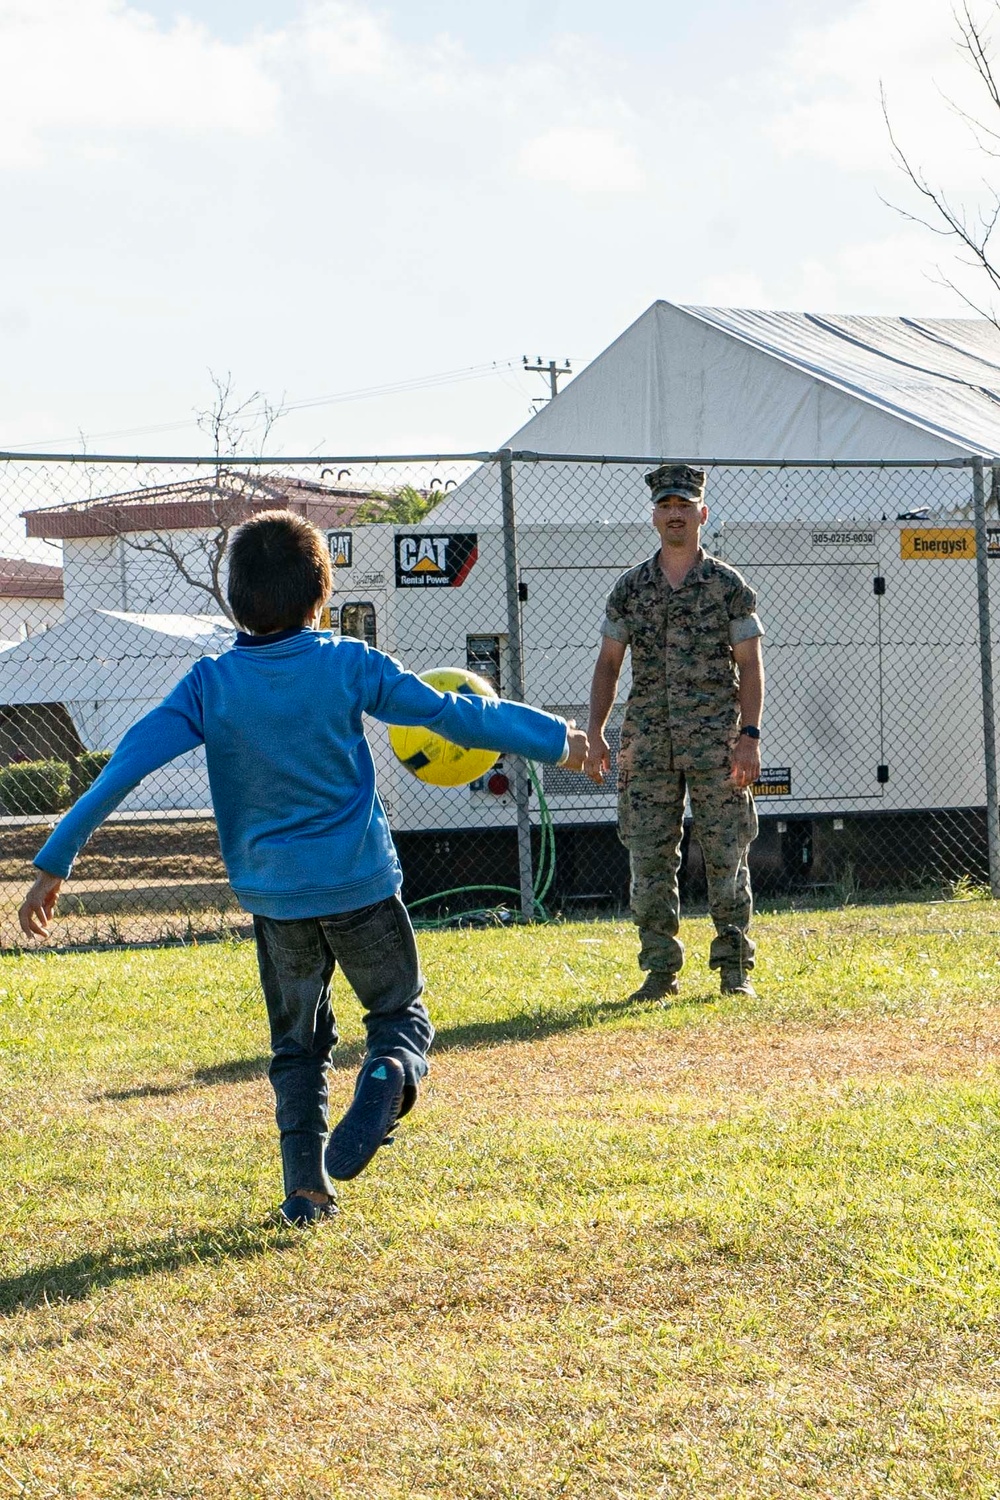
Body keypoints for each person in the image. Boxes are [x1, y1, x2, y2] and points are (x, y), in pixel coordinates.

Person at [19, 510, 588, 1225]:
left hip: (276, 901)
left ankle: (307, 1191)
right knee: (397, 1015)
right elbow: (454, 715)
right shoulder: (349, 662)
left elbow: (125, 765)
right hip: (361, 888)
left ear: (235, 600)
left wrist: (55, 860)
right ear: (321, 595)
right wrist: (559, 742)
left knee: (296, 1048)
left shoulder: (210, 684)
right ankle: (387, 1073)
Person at [584, 463, 764, 1002]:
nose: (675, 515)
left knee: (727, 852)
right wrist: (596, 732)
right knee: (648, 857)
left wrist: (749, 735)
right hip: (649, 746)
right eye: (665, 507)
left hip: (717, 746)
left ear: (702, 513)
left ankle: (734, 970)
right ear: (655, 517)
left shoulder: (729, 587)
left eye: (684, 505)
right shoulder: (630, 590)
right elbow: (608, 665)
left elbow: (751, 666)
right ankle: (660, 970)